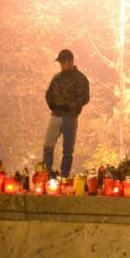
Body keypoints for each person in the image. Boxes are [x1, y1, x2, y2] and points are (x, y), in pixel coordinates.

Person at [43, 49, 90, 177]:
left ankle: (64, 176)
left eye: (63, 62)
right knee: (47, 145)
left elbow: (84, 98)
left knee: (68, 150)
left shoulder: (80, 78)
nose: (61, 65)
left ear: (70, 61)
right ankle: (46, 173)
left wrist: (69, 107)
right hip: (55, 115)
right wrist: (50, 103)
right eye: (60, 63)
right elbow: (48, 94)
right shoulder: (57, 78)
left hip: (70, 117)